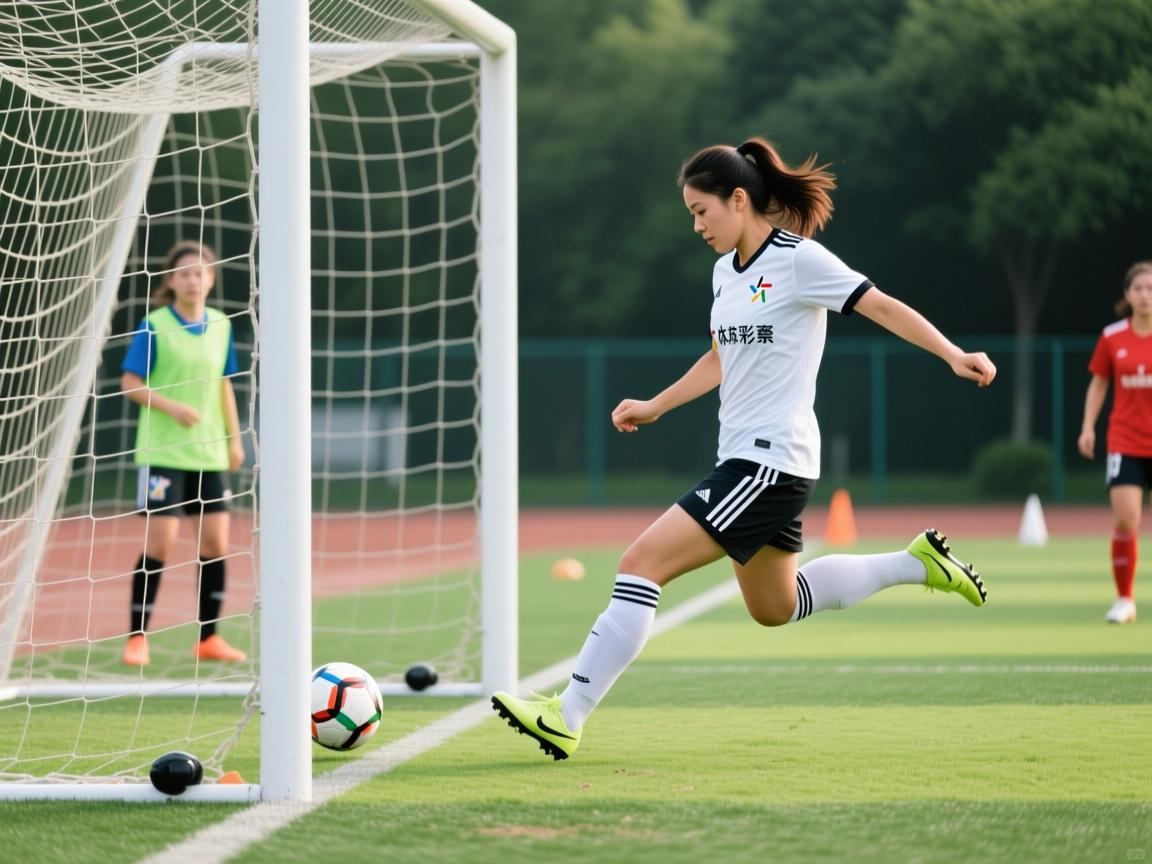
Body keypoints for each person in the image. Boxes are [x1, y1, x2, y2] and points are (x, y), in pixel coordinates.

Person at [491, 138, 996, 760]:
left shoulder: (799, 260)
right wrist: (656, 404)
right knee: (775, 607)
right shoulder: (723, 274)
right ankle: (917, 564)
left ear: (738, 200)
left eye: (702, 211)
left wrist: (953, 354)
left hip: (770, 462)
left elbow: (882, 307)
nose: (696, 226)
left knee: (639, 563)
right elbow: (719, 357)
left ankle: (566, 714)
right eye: (690, 215)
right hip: (749, 462)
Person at [120, 241, 247, 666]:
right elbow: (130, 383)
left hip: (208, 452)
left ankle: (208, 638)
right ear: (171, 281)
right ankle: (137, 637)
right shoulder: (154, 324)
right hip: (163, 452)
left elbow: (224, 384)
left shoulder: (221, 324)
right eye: (185, 272)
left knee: (216, 542)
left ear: (211, 279)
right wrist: (172, 406)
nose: (193, 279)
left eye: (201, 272)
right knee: (163, 541)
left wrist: (235, 438)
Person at [1077, 261, 1152, 625]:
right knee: (1126, 519)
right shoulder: (1112, 336)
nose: (1145, 295)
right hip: (1125, 441)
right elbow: (1099, 383)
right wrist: (1088, 426)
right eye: (1138, 288)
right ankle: (1125, 599)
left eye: (1151, 288)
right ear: (1127, 295)